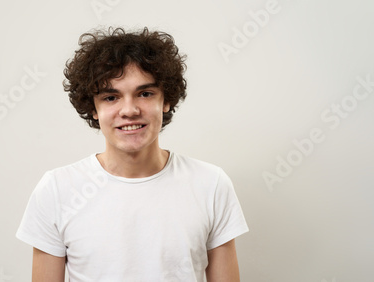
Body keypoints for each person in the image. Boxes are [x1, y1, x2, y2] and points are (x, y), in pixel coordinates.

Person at [16, 27, 249, 282]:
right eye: (111, 97)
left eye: (145, 93)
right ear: (93, 108)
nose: (129, 110)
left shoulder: (211, 184)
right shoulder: (56, 190)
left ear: (166, 100)